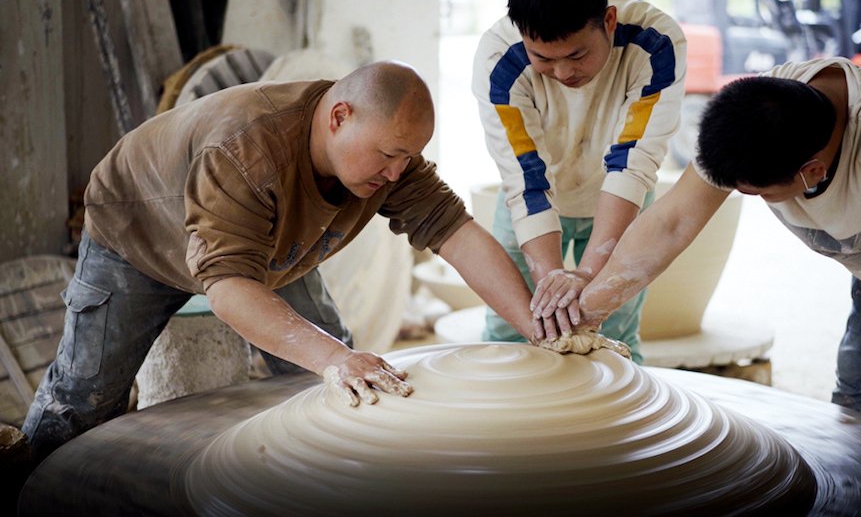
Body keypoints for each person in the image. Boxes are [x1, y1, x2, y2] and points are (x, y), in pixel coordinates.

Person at [21, 61, 538, 462]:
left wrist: (536, 326)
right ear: (339, 118)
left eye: (409, 157)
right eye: (389, 156)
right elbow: (228, 287)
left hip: (262, 243)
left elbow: (455, 231)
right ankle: (24, 488)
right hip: (139, 232)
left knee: (342, 386)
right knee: (83, 399)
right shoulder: (247, 151)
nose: (397, 172)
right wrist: (335, 358)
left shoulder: (385, 156)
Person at [534, 56, 861, 421]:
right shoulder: (756, 115)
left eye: (759, 194)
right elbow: (672, 221)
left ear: (812, 172)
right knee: (856, 397)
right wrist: (588, 310)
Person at [472, 0, 686, 362]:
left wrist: (590, 273)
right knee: (513, 330)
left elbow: (632, 163)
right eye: (542, 58)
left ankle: (623, 412)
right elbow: (525, 179)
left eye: (577, 54)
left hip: (622, 196)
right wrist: (551, 283)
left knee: (611, 330)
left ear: (608, 21)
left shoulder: (656, 43)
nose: (564, 72)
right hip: (531, 200)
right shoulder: (498, 58)